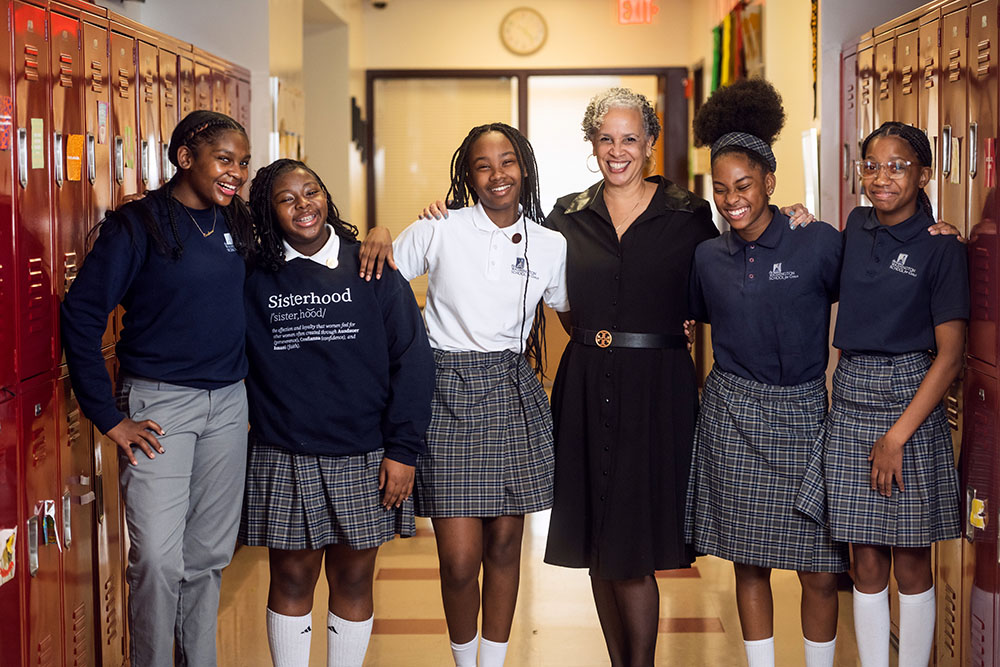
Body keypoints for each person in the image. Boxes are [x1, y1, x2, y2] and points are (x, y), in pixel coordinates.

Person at [362, 122, 569, 666]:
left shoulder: (551, 244)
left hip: (513, 390)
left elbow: (575, 314)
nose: (497, 174)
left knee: (505, 548)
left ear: (524, 167)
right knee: (457, 559)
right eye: (483, 164)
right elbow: (374, 282)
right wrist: (379, 230)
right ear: (467, 175)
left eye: (507, 161)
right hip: (445, 391)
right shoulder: (440, 227)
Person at [60, 110, 253, 666]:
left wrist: (371, 238)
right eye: (224, 159)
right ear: (186, 157)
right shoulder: (137, 226)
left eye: (242, 162)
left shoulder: (235, 222)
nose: (235, 172)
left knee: (209, 555)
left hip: (228, 404)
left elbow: (306, 228)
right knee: (159, 561)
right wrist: (108, 416)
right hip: (160, 405)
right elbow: (82, 314)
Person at [239, 159, 434, 667]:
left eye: (312, 191)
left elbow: (412, 363)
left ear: (327, 195)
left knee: (353, 578)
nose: (304, 205)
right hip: (285, 451)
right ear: (269, 210)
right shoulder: (254, 275)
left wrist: (404, 450)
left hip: (365, 452)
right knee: (291, 577)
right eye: (287, 198)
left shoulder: (371, 267)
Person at [685, 78, 847, 667]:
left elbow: (876, 283)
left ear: (770, 183)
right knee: (748, 561)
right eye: (722, 188)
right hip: (732, 416)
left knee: (821, 568)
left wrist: (936, 233)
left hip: (805, 415)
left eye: (745, 185)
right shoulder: (707, 256)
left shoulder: (819, 241)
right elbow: (690, 321)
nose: (733, 199)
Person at [797, 121, 969, 667]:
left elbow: (951, 356)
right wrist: (803, 224)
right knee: (864, 560)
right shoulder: (855, 223)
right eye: (871, 165)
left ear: (922, 174)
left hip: (910, 399)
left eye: (897, 166)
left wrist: (896, 437)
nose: (881, 177)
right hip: (851, 398)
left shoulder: (941, 247)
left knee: (912, 560)